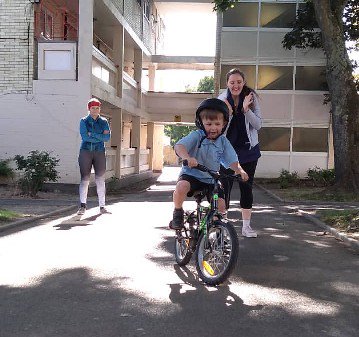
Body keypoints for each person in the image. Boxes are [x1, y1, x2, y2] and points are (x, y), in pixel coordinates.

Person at [170, 98, 249, 230]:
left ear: (224, 124)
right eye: (209, 124)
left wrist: (240, 170)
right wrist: (187, 157)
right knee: (182, 186)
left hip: (211, 179)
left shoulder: (223, 141)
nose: (213, 128)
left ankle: (216, 232)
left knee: (221, 206)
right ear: (201, 123)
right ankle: (177, 212)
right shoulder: (197, 136)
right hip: (192, 176)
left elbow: (232, 160)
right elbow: (180, 146)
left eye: (217, 124)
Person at [218, 68, 262, 238]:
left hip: (248, 151)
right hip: (226, 152)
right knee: (224, 187)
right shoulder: (221, 100)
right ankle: (222, 226)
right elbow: (218, 128)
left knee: (246, 187)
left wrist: (246, 110)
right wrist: (228, 112)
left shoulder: (251, 98)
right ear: (227, 84)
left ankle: (246, 227)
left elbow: (258, 125)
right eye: (232, 82)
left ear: (243, 82)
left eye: (238, 82)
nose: (235, 85)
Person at [77, 98, 111, 215]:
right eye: (93, 108)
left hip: (100, 152)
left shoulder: (104, 122)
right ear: (89, 109)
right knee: (85, 179)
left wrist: (93, 134)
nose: (95, 110)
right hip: (85, 151)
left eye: (97, 108)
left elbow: (107, 138)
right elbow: (85, 137)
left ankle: (102, 206)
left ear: (99, 109)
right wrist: (99, 136)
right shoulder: (83, 121)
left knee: (100, 179)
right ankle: (82, 206)